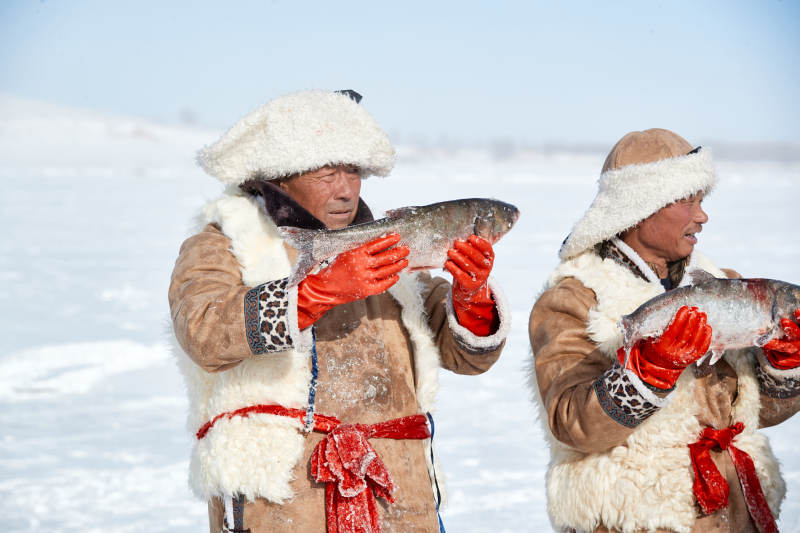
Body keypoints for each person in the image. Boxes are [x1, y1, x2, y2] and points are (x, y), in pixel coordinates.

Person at [169, 89, 510, 533]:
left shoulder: (390, 246)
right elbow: (203, 332)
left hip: (398, 494)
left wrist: (470, 297)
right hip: (283, 503)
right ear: (280, 176)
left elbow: (467, 357)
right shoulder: (226, 241)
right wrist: (312, 294)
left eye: (353, 171)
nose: (346, 190)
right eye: (327, 174)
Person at [528, 128, 800, 533]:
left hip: (733, 514)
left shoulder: (723, 288)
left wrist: (783, 366)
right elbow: (570, 423)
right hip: (636, 522)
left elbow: (755, 413)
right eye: (687, 201)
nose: (702, 216)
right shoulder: (576, 300)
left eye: (702, 200)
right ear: (637, 209)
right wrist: (647, 373)